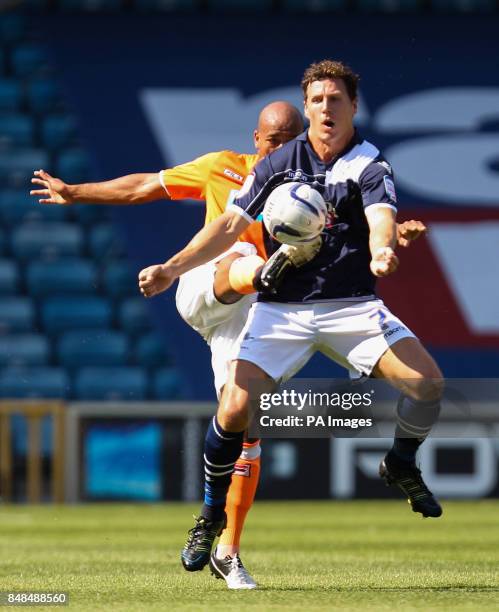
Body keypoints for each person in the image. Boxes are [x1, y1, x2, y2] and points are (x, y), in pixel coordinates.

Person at [31, 100, 426, 588]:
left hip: (254, 314)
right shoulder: (224, 169)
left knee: (243, 425)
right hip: (208, 285)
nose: (281, 148)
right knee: (238, 248)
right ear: (256, 140)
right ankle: (261, 268)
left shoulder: (322, 188)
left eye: (290, 139)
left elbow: (366, 227)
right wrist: (76, 192)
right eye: (273, 140)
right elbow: (144, 186)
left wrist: (392, 235)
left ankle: (226, 547)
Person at [137, 59, 444, 579]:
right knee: (234, 410)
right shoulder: (278, 165)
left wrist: (382, 252)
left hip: (351, 305)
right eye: (318, 100)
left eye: (336, 99)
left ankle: (400, 463)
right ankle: (210, 516)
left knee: (428, 386)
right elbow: (229, 225)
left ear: (353, 106)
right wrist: (171, 268)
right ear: (307, 108)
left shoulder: (370, 163)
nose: (327, 107)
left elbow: (380, 218)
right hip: (282, 310)